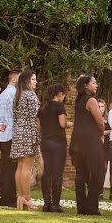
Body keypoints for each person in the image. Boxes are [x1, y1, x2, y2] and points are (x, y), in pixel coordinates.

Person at [70, 74, 107, 215]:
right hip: (90, 140)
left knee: (81, 174)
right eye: (94, 83)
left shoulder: (78, 101)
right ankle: (91, 206)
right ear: (85, 85)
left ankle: (82, 207)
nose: (96, 85)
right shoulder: (91, 100)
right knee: (97, 171)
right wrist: (102, 132)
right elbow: (99, 121)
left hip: (77, 140)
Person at [10, 69, 41, 211]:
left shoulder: (18, 95)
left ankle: (20, 196)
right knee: (27, 167)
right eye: (34, 79)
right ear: (28, 81)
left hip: (18, 132)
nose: (36, 82)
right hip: (29, 132)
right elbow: (37, 116)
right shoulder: (30, 95)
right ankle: (27, 198)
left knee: (20, 166)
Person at [39, 84, 72, 212]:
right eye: (64, 95)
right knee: (57, 172)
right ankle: (55, 204)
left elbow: (39, 127)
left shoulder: (43, 109)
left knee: (47, 172)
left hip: (45, 142)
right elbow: (62, 123)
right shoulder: (59, 106)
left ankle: (46, 202)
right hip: (58, 142)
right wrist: (69, 124)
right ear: (60, 94)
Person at [0, 69, 20, 208]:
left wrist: (0, 126)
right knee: (12, 167)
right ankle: (9, 198)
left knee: (4, 166)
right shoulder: (15, 94)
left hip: (4, 135)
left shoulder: (3, 94)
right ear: (15, 79)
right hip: (13, 135)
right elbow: (16, 114)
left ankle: (3, 196)